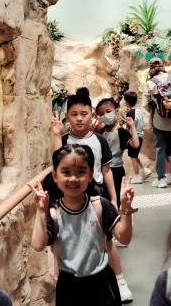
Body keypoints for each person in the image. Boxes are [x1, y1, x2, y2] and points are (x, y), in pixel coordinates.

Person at [29, 144, 136, 306]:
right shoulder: (54, 213)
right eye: (66, 172)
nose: (73, 178)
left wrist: (125, 210)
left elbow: (124, 238)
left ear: (91, 175)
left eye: (81, 172)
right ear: (55, 176)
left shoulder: (100, 206)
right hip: (69, 287)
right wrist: (41, 211)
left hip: (102, 284)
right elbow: (38, 245)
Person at [51, 88, 118, 206]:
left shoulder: (100, 140)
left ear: (92, 115)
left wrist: (114, 199)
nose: (79, 119)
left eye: (84, 114)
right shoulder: (64, 140)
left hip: (97, 193)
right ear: (67, 117)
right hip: (71, 192)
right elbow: (58, 163)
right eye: (74, 114)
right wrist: (57, 135)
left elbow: (106, 171)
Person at [143, 57, 171, 188]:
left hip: (159, 122)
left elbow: (145, 105)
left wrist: (156, 108)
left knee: (160, 150)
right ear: (163, 66)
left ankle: (162, 179)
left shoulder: (150, 83)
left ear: (151, 68)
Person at [95, 97, 140, 207]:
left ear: (116, 110)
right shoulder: (101, 131)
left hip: (116, 171)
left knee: (116, 200)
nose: (105, 115)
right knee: (104, 199)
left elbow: (135, 144)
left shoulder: (121, 131)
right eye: (101, 114)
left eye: (108, 111)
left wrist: (132, 127)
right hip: (101, 171)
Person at [123, 91, 150, 184]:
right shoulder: (139, 111)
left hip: (134, 137)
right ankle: (145, 169)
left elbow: (129, 126)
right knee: (134, 155)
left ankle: (137, 176)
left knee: (133, 158)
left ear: (127, 102)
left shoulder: (130, 112)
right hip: (140, 136)